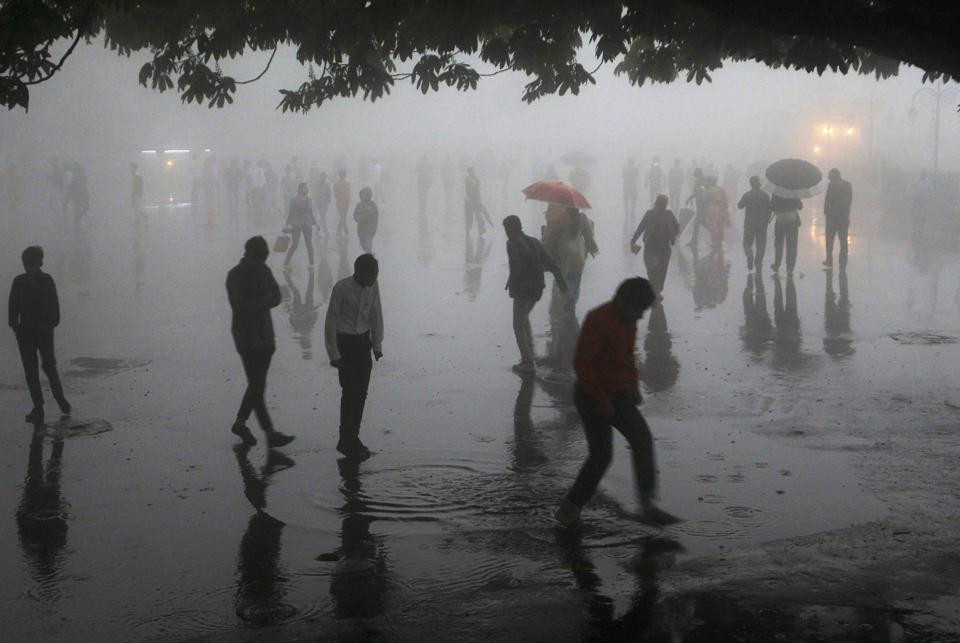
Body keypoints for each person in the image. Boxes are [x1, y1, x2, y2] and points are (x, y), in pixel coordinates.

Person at [554, 277, 682, 528]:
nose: (641, 316)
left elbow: (627, 356)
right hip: (591, 396)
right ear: (624, 302)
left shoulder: (629, 320)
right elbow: (583, 364)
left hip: (618, 394)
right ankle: (569, 509)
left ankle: (647, 505)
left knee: (642, 439)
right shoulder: (597, 319)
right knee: (601, 455)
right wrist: (601, 400)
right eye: (639, 309)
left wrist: (633, 385)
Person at [226, 236, 295, 448]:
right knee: (257, 384)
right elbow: (241, 307)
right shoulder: (235, 276)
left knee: (257, 384)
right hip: (246, 338)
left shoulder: (264, 270)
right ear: (249, 255)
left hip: (265, 336)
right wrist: (264, 300)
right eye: (260, 258)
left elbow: (277, 297)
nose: (262, 262)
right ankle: (269, 432)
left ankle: (241, 423)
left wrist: (259, 301)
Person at [325, 254, 383, 459]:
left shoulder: (373, 286)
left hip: (363, 343)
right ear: (359, 273)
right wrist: (334, 353)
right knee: (350, 393)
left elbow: (376, 314)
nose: (375, 278)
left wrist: (377, 344)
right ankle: (345, 439)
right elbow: (331, 320)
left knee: (361, 394)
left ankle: (352, 437)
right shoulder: (341, 288)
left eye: (376, 274)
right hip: (346, 345)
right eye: (372, 275)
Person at [9, 246, 71, 422]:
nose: (28, 266)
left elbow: (13, 309)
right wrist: (50, 324)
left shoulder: (21, 281)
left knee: (37, 369)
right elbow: (54, 308)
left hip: (31, 332)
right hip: (39, 331)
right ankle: (54, 401)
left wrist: (16, 327)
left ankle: (43, 405)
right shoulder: (44, 280)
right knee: (44, 367)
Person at [503, 215, 567, 373]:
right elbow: (551, 263)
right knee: (524, 317)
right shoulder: (534, 242)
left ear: (510, 229)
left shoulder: (512, 243)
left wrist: (512, 284)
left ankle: (527, 361)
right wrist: (561, 282)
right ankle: (530, 352)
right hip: (537, 288)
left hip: (523, 289)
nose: (506, 233)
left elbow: (515, 267)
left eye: (506, 229)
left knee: (517, 324)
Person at [630, 195, 679, 295]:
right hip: (651, 246)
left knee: (661, 270)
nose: (660, 207)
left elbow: (677, 227)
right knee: (652, 269)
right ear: (656, 204)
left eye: (662, 205)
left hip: (663, 247)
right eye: (659, 205)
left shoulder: (668, 214)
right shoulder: (650, 214)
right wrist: (633, 240)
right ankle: (655, 289)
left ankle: (657, 290)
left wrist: (673, 237)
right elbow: (641, 227)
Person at [737, 176, 772, 271]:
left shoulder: (747, 195)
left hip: (749, 223)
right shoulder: (765, 195)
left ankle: (750, 255)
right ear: (759, 184)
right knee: (761, 245)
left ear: (751, 184)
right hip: (762, 224)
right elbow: (769, 209)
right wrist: (767, 219)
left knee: (747, 244)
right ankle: (758, 262)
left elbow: (740, 206)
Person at [822, 168, 853, 268]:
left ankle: (829, 260)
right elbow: (849, 201)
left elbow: (827, 200)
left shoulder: (831, 186)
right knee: (843, 240)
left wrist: (826, 212)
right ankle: (843, 261)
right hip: (843, 217)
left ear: (833, 176)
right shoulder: (847, 185)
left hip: (832, 218)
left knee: (829, 240)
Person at [284, 182, 316, 268]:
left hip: (307, 224)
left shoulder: (309, 200)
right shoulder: (294, 200)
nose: (307, 189)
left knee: (309, 244)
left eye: (307, 188)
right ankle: (286, 262)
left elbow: (311, 213)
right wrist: (287, 224)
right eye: (305, 188)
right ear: (300, 189)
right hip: (296, 224)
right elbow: (291, 212)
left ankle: (311, 263)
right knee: (295, 244)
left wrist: (316, 224)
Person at [770, 194, 803, 274]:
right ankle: (790, 268)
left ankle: (777, 264)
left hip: (780, 220)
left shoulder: (776, 192)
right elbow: (800, 206)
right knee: (792, 245)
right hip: (792, 220)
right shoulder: (793, 192)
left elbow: (772, 207)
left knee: (778, 244)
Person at [703, 176, 729, 247]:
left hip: (711, 208)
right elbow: (725, 199)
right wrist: (725, 209)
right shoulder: (720, 189)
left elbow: (705, 200)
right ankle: (721, 241)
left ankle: (714, 241)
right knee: (720, 225)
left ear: (710, 182)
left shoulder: (708, 190)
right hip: (720, 208)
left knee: (712, 225)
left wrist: (704, 211)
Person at [684, 167, 707, 248]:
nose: (695, 177)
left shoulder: (702, 181)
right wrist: (689, 198)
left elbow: (703, 192)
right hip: (701, 205)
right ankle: (716, 235)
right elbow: (696, 192)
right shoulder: (701, 181)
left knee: (697, 223)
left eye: (696, 175)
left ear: (698, 174)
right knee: (702, 222)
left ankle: (694, 241)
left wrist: (690, 198)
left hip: (702, 205)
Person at [353, 187, 380, 254]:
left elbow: (375, 215)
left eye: (365, 194)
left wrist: (366, 216)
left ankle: (369, 256)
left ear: (369, 195)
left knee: (368, 244)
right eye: (362, 194)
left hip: (370, 228)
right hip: (361, 228)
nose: (363, 195)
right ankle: (370, 254)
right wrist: (359, 217)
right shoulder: (359, 205)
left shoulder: (372, 205)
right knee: (362, 244)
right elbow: (355, 215)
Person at [464, 167, 489, 235]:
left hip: (475, 200)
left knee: (478, 215)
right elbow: (466, 190)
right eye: (471, 171)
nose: (473, 172)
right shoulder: (467, 179)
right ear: (469, 172)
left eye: (473, 171)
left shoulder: (476, 179)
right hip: (469, 201)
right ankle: (468, 229)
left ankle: (481, 229)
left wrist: (478, 200)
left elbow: (477, 190)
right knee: (469, 216)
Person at [313, 171, 332, 237]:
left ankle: (319, 231)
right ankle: (324, 231)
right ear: (320, 177)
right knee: (322, 217)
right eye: (322, 177)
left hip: (325, 202)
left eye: (324, 177)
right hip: (319, 202)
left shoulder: (327, 185)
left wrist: (329, 200)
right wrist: (316, 201)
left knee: (322, 217)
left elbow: (329, 193)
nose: (323, 178)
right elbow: (315, 193)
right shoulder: (317, 184)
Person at [334, 170, 351, 237]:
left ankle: (340, 231)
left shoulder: (337, 184)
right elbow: (347, 194)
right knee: (343, 217)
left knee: (343, 217)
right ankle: (345, 231)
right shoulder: (346, 184)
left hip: (341, 203)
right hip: (343, 203)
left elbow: (335, 195)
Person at [622, 158, 639, 224]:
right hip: (632, 186)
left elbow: (623, 176)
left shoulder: (625, 169)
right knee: (632, 200)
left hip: (627, 186)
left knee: (627, 200)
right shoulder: (635, 169)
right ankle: (631, 212)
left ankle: (628, 212)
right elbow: (636, 176)